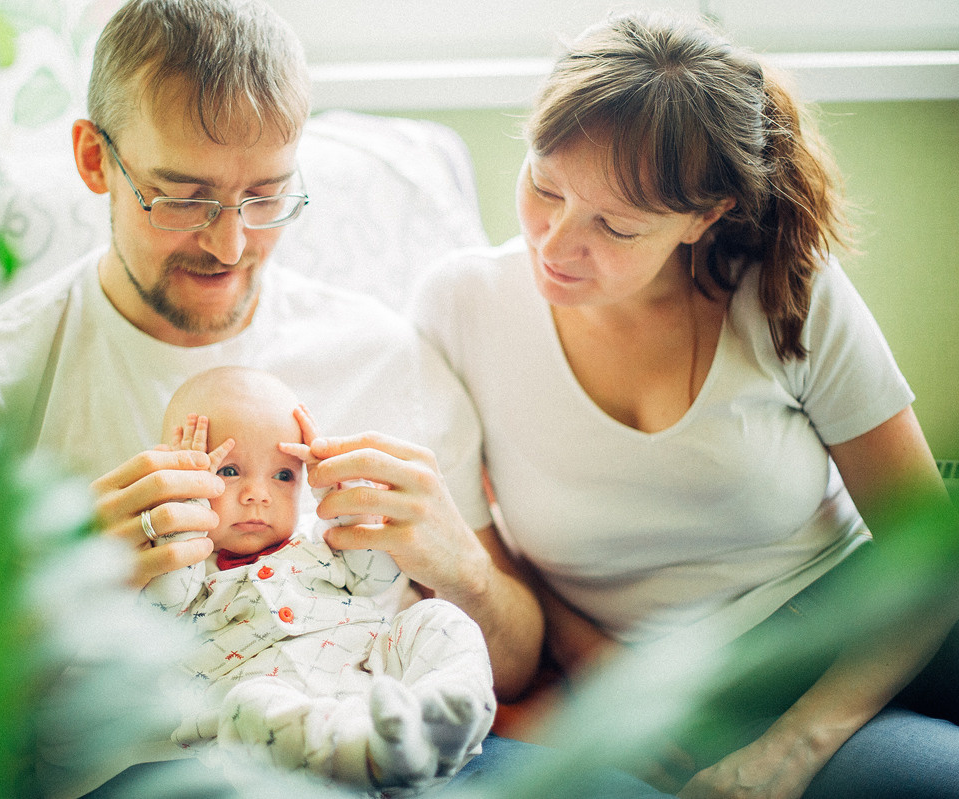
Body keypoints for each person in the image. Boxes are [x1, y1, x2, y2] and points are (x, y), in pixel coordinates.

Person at [0, 1, 576, 796]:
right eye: (183, 197)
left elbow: (517, 662)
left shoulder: (384, 352)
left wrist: (461, 567)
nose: (230, 244)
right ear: (94, 160)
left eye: (267, 196)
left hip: (423, 759)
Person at [411, 10, 959, 799]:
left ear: (708, 218)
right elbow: (493, 564)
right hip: (674, 685)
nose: (556, 243)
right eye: (543, 184)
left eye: (616, 226)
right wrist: (611, 674)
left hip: (848, 635)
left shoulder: (785, 292)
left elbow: (924, 555)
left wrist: (796, 745)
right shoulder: (458, 307)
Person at [141, 366, 495, 790]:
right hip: (275, 720)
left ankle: (444, 707)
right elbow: (159, 611)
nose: (259, 494)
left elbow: (375, 580)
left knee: (437, 617)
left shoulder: (318, 542)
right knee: (248, 706)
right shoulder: (189, 572)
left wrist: (342, 495)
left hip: (373, 677)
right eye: (229, 471)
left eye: (284, 475)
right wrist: (184, 518)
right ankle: (372, 755)